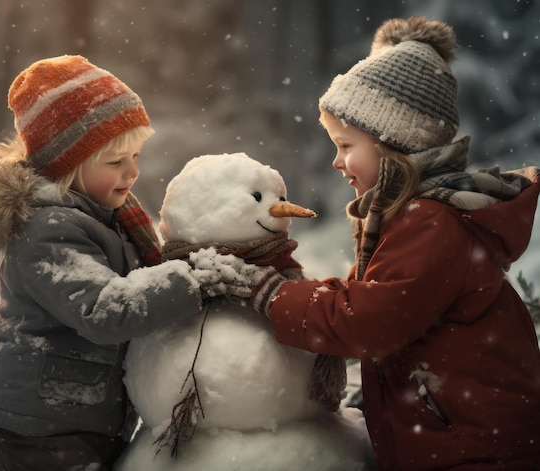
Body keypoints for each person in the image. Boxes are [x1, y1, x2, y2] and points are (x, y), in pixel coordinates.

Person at [220, 17, 540, 470]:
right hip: (459, 437)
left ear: (394, 144)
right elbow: (371, 299)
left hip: (473, 450)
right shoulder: (413, 217)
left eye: (346, 144)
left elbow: (369, 319)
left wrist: (271, 295)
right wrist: (298, 289)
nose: (336, 161)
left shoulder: (429, 221)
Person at [0, 55, 252, 470]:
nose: (132, 172)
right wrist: (191, 281)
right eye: (115, 161)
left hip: (69, 412)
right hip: (39, 422)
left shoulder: (105, 216)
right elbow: (105, 310)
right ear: (67, 165)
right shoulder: (48, 229)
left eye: (136, 156)